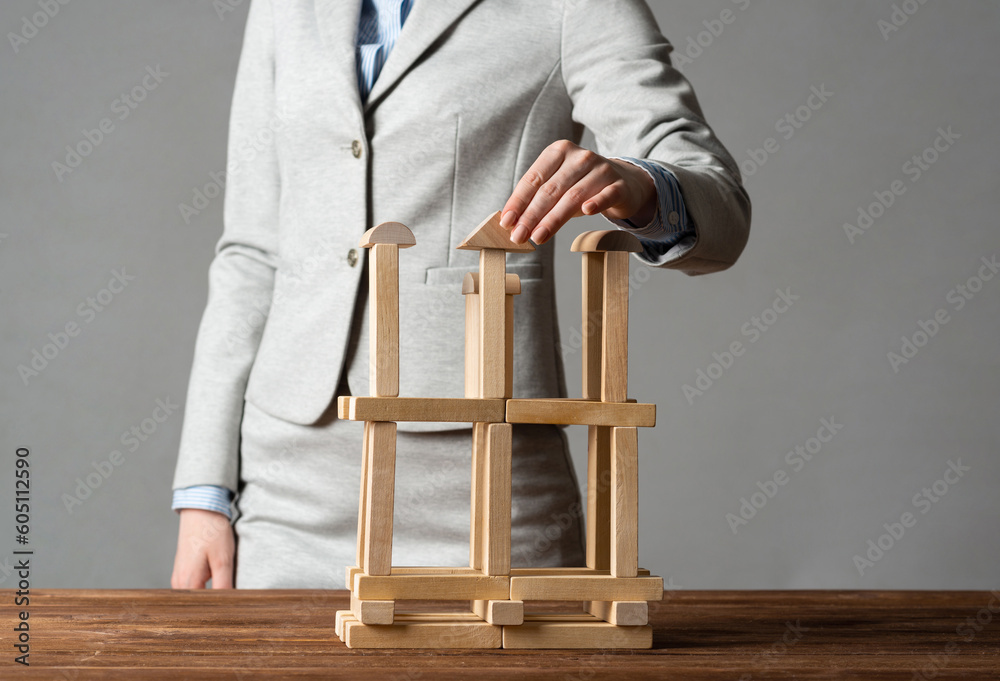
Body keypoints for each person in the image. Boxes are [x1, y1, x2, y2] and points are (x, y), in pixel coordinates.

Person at [170, 0, 750, 589]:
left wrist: (640, 186)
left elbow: (722, 208)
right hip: (284, 494)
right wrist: (205, 492)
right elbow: (252, 252)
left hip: (482, 485)